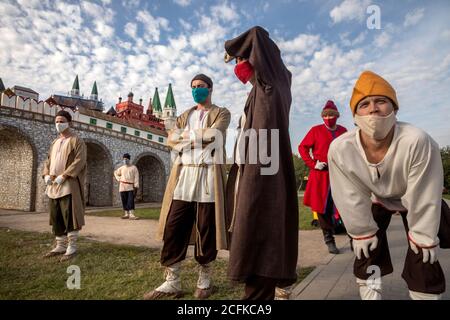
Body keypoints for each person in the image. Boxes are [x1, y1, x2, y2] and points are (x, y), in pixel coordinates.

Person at [328, 70, 447, 300]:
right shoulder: (341, 148)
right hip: (376, 198)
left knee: (424, 252)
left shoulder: (417, 140)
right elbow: (348, 193)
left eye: (381, 101)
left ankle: (426, 296)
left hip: (414, 197)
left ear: (395, 109)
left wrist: (423, 235)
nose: (373, 109)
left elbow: (424, 191)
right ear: (354, 116)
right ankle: (371, 295)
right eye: (364, 104)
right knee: (366, 250)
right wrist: (361, 232)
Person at [224, 26, 299, 300]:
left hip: (264, 174)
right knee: (257, 238)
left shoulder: (272, 82)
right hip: (254, 170)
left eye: (242, 59)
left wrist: (231, 47)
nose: (238, 66)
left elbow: (256, 33)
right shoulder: (258, 90)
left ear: (259, 58)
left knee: (259, 238)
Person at [144, 74, 231, 300]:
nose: (196, 90)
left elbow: (215, 134)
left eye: (200, 87)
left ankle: (205, 279)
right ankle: (172, 280)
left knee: (206, 227)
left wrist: (186, 137)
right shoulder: (185, 115)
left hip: (208, 175)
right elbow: (170, 139)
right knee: (174, 225)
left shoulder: (221, 112)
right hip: (184, 175)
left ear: (210, 89)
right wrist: (194, 138)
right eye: (193, 87)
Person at [298, 100, 347, 254]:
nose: (328, 117)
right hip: (321, 174)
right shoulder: (315, 130)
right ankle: (329, 239)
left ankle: (354, 237)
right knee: (322, 208)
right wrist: (313, 164)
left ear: (337, 115)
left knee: (346, 205)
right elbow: (302, 147)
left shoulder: (343, 131)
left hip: (340, 173)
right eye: (325, 115)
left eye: (331, 114)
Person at [42, 110, 87, 262]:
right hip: (53, 184)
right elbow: (48, 161)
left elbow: (80, 160)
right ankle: (60, 245)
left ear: (69, 122)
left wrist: (66, 175)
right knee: (56, 215)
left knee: (70, 215)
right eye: (56, 121)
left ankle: (71, 246)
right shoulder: (54, 142)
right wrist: (46, 175)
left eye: (61, 121)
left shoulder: (76, 141)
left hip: (68, 183)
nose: (58, 124)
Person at [114, 153, 140, 220]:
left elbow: (136, 177)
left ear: (129, 159)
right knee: (124, 200)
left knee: (130, 200)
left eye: (126, 159)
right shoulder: (122, 168)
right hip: (122, 186)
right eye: (124, 159)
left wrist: (136, 186)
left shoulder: (134, 168)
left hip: (130, 186)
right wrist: (118, 178)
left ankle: (131, 214)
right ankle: (126, 214)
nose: (125, 160)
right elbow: (115, 172)